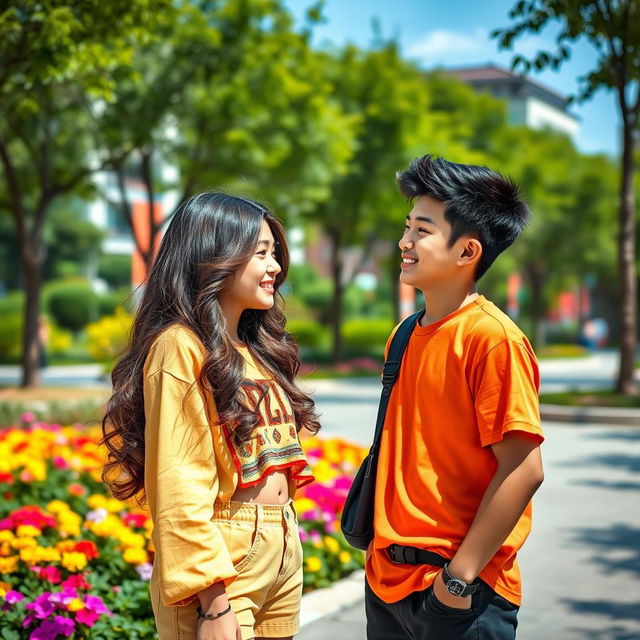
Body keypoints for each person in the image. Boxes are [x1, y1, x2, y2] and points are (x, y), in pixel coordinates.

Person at [101, 193, 320, 640]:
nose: (275, 266)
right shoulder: (179, 346)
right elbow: (178, 480)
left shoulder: (256, 347)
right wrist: (214, 603)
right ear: (214, 256)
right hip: (223, 558)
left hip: (281, 548)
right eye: (261, 252)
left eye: (274, 252)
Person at [364, 156, 544, 640]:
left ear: (467, 252)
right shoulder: (403, 335)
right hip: (387, 585)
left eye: (421, 230)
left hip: (460, 598)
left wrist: (456, 582)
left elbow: (524, 469)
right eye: (407, 227)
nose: (404, 242)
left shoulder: (493, 340)